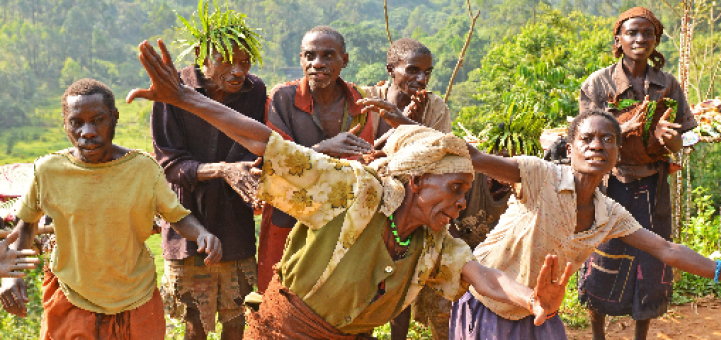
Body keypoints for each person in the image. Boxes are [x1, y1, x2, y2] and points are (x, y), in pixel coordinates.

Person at [128, 39, 575, 340]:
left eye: (465, 194)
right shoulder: (354, 192)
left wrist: (533, 298)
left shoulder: (430, 243)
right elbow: (266, 143)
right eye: (455, 188)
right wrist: (185, 98)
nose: (460, 204)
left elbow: (483, 274)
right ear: (416, 181)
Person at [439, 110, 721, 340]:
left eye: (608, 140)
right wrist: (404, 128)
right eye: (587, 139)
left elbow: (667, 250)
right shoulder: (539, 175)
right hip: (491, 305)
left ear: (617, 155)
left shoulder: (609, 214)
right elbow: (475, 158)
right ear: (570, 148)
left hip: (540, 315)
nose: (598, 145)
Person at [0, 78, 222, 340]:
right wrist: (10, 277)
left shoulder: (143, 169)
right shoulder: (48, 171)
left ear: (115, 118)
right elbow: (26, 225)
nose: (88, 131)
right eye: (76, 122)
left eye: (98, 120)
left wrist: (201, 234)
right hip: (71, 299)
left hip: (136, 299)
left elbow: (177, 216)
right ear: (64, 123)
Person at [577, 7, 699, 340]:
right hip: (609, 184)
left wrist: (673, 140)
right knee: (604, 257)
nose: (639, 39)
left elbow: (686, 136)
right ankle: (597, 333)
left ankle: (641, 335)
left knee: (651, 260)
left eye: (647, 33)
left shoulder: (667, 84)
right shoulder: (598, 84)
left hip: (652, 185)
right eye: (632, 33)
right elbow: (584, 137)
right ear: (618, 40)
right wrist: (629, 126)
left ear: (657, 40)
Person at [150, 6, 266, 339]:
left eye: (245, 62)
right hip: (188, 226)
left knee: (237, 323)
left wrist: (242, 172)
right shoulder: (173, 90)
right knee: (194, 327)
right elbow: (169, 164)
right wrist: (222, 170)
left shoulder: (254, 92)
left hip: (236, 227)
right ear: (203, 55)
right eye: (227, 60)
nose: (237, 71)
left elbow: (255, 147)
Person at [257, 26, 377, 293]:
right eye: (310, 56)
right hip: (288, 218)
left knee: (336, 301)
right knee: (281, 297)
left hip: (344, 224)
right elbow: (275, 162)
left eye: (328, 56)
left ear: (344, 61)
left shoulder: (360, 103)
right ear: (301, 59)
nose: (317, 64)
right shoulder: (282, 99)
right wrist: (324, 149)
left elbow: (370, 162)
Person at [360, 37, 455, 340]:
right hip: (366, 206)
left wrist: (409, 127)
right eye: (413, 71)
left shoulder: (434, 107)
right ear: (391, 69)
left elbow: (440, 154)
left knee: (400, 281)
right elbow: (357, 151)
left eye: (427, 72)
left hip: (410, 210)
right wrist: (396, 132)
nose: (421, 79)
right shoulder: (368, 100)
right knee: (363, 281)